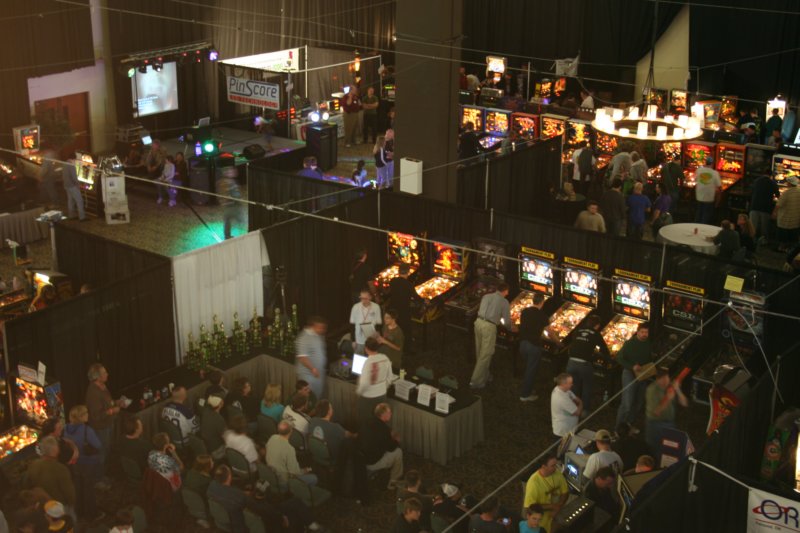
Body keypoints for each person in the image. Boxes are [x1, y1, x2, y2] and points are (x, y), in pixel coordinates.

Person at [207, 464, 321, 533]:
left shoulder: (212, 487)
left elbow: (231, 495)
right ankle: (311, 524)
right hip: (258, 521)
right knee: (295, 502)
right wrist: (281, 517)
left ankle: (309, 524)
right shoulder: (240, 497)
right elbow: (264, 510)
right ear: (229, 477)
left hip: (233, 521)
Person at [470, 282, 514, 390]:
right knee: (486, 354)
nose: (508, 293)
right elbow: (507, 321)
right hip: (489, 327)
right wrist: (511, 328)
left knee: (479, 351)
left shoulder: (486, 296)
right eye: (508, 291)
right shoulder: (504, 302)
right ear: (505, 290)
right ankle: (475, 382)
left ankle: (485, 375)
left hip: (478, 323)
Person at [63, 405, 103, 521]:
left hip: (74, 463)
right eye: (86, 413)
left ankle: (79, 510)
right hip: (88, 463)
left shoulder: (66, 428)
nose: (88, 415)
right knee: (89, 488)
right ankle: (92, 514)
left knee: (78, 487)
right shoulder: (87, 430)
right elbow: (98, 445)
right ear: (81, 417)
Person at [565, 315, 609, 411]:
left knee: (574, 386)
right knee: (587, 387)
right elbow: (604, 349)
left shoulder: (578, 330)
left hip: (571, 361)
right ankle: (584, 410)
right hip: (584, 364)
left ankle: (573, 408)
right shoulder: (596, 333)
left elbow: (575, 343)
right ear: (597, 325)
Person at [518, 293, 555, 402]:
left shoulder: (524, 311)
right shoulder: (542, 316)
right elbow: (550, 333)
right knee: (531, 370)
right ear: (542, 302)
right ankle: (525, 395)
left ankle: (528, 389)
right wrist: (558, 343)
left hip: (522, 343)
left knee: (528, 368)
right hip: (533, 345)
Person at [615, 323, 653, 429]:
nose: (644, 334)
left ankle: (628, 426)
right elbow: (619, 357)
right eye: (642, 332)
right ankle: (618, 428)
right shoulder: (629, 343)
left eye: (647, 332)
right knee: (627, 403)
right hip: (629, 373)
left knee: (638, 403)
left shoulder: (648, 344)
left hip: (642, 373)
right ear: (637, 331)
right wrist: (632, 366)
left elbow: (649, 358)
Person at [358, 403, 403, 489]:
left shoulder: (367, 421)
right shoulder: (384, 430)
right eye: (389, 412)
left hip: (360, 458)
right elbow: (391, 448)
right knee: (398, 452)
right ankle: (393, 483)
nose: (391, 414)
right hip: (372, 462)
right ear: (383, 415)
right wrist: (396, 440)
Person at [645, 367, 688, 456]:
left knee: (668, 451)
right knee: (654, 450)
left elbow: (684, 403)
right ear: (657, 379)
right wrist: (668, 398)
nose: (666, 381)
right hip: (655, 424)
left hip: (670, 423)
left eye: (667, 378)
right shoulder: (652, 390)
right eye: (663, 379)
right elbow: (656, 412)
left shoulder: (670, 387)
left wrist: (678, 390)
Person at [26, 437, 76, 514]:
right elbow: (69, 494)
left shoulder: (33, 464)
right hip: (60, 506)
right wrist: (71, 503)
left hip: (44, 505)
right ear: (55, 450)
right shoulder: (60, 469)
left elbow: (29, 483)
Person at [523, 453, 568, 533]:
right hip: (540, 522)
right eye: (553, 466)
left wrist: (559, 506)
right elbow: (530, 507)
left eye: (556, 464)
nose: (556, 468)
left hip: (554, 518)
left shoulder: (557, 473)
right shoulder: (533, 483)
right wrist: (553, 507)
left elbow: (565, 492)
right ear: (544, 467)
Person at [85, 363, 122, 461]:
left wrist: (116, 402)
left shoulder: (103, 386)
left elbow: (107, 402)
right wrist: (113, 410)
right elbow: (96, 415)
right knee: (102, 451)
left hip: (108, 424)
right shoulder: (94, 393)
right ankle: (100, 473)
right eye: (104, 373)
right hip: (101, 427)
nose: (107, 374)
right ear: (97, 377)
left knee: (108, 448)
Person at [357, 337, 396, 424]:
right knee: (380, 422)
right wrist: (383, 387)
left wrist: (359, 392)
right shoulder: (385, 358)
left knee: (366, 422)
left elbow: (364, 383)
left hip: (367, 398)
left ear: (366, 348)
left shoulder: (367, 362)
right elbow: (390, 377)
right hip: (381, 395)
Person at [266, 421, 317, 487]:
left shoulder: (272, 438)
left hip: (271, 475)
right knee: (314, 478)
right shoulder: (289, 449)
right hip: (283, 482)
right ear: (291, 431)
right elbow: (295, 473)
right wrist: (307, 469)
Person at [388, 263, 420, 353]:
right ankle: (407, 350)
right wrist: (425, 301)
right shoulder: (408, 285)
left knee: (395, 327)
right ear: (408, 272)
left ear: (398, 271)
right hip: (404, 310)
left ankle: (394, 345)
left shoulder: (393, 281)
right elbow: (416, 297)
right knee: (407, 330)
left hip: (393, 309)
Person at [295, 315, 328, 399]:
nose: (322, 330)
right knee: (308, 398)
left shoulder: (319, 335)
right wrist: (312, 368)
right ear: (313, 326)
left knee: (316, 397)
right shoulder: (303, 338)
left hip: (317, 374)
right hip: (308, 376)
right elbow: (302, 357)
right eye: (320, 328)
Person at [750, 174, 780, 244]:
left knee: (752, 225)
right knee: (764, 227)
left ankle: (751, 240)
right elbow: (778, 195)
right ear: (771, 176)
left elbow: (751, 191)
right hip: (766, 207)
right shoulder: (773, 183)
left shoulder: (756, 181)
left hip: (755, 206)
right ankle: (764, 241)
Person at [550, 373, 582, 438]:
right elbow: (578, 412)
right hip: (563, 432)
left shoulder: (561, 389)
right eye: (570, 383)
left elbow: (574, 398)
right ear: (564, 384)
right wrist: (581, 403)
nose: (572, 384)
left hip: (567, 428)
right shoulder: (562, 398)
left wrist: (576, 403)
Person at [774, 176, 800, 252]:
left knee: (783, 236)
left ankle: (782, 248)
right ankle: (790, 249)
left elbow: (778, 205)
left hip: (785, 219)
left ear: (789, 183)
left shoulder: (786, 193)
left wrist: (774, 213)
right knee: (793, 236)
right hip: (795, 219)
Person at [694, 157, 721, 224]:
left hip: (699, 197)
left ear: (706, 162)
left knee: (698, 215)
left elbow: (695, 180)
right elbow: (719, 187)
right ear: (713, 163)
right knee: (705, 217)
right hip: (709, 198)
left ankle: (696, 229)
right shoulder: (715, 173)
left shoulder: (699, 171)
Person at [199, 395, 227, 460]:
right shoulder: (218, 419)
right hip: (216, 450)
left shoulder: (205, 411)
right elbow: (225, 437)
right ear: (219, 405)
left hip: (208, 446)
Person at [219, 168, 243, 240]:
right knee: (237, 218)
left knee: (227, 221)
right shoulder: (230, 182)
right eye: (231, 172)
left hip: (227, 205)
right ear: (226, 173)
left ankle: (227, 236)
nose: (234, 172)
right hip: (231, 205)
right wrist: (238, 198)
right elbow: (234, 194)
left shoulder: (222, 182)